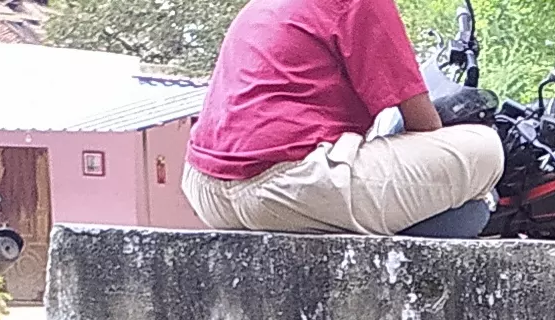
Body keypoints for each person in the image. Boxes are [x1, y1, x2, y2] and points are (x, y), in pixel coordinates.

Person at [184, 0, 505, 237]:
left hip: (207, 189)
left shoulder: (262, 5)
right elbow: (425, 126)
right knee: (485, 149)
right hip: (285, 185)